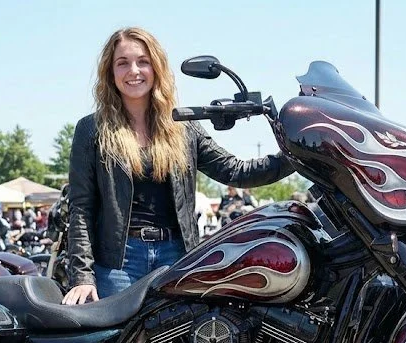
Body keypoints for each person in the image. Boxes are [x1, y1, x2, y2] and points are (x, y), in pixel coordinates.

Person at [63, 27, 293, 304]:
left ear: (156, 68)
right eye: (122, 63)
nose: (133, 70)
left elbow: (235, 171)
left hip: (176, 257)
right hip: (118, 264)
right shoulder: (92, 129)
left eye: (143, 61)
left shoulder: (183, 127)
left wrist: (296, 153)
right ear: (110, 72)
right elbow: (80, 208)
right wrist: (82, 277)